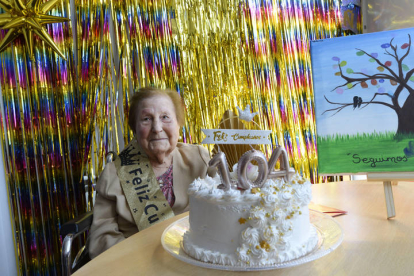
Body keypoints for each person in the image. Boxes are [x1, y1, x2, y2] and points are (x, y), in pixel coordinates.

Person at [88, 87, 213, 259]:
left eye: (165, 117)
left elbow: (229, 200)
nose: (157, 127)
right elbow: (101, 237)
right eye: (146, 119)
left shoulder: (199, 158)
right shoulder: (114, 174)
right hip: (137, 261)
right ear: (135, 128)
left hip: (192, 258)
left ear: (178, 123)